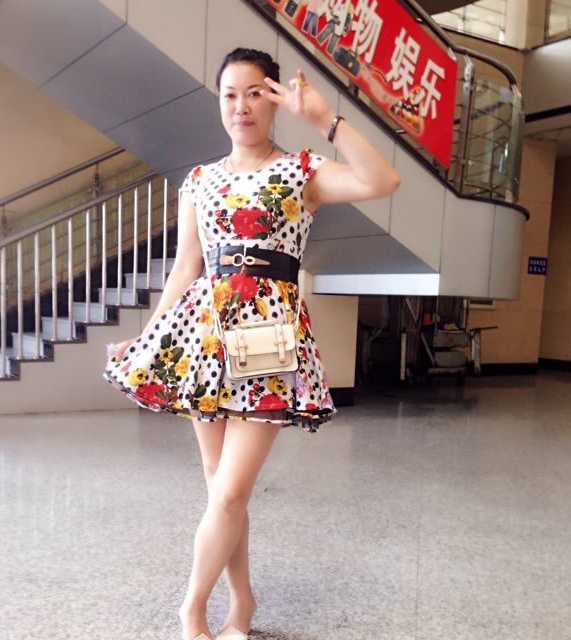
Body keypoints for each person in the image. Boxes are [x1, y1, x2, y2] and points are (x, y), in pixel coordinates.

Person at [103, 47, 400, 640]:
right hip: (205, 338)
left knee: (231, 491)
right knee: (221, 488)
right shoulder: (199, 181)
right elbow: (186, 267)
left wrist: (324, 118)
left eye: (255, 93)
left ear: (274, 99)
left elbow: (381, 179)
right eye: (230, 95)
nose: (241, 106)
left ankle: (191, 610)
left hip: (268, 335)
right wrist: (150, 336)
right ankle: (241, 603)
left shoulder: (302, 171)